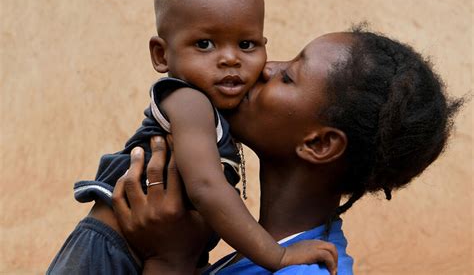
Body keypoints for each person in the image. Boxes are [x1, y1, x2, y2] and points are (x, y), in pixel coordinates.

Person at [48, 0, 338, 274]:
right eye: (204, 44)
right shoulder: (190, 101)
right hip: (104, 254)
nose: (230, 58)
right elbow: (205, 187)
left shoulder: (211, 110)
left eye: (246, 44)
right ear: (162, 55)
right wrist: (278, 257)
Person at [111, 28, 463, 274]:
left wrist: (168, 261)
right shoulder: (259, 254)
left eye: (289, 77)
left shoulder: (304, 272)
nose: (265, 67)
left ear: (318, 144)